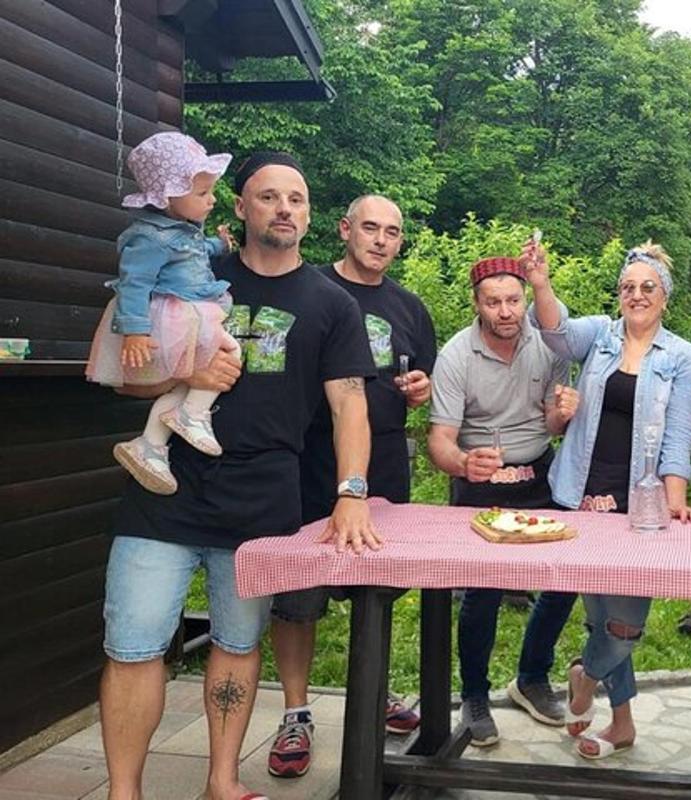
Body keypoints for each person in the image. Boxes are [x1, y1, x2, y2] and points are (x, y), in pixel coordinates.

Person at [98, 152, 379, 800]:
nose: (285, 208)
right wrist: (183, 377)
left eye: (297, 198)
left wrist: (352, 493)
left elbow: (350, 405)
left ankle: (221, 782)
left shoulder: (331, 303)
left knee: (237, 643)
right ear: (241, 208)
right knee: (134, 646)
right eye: (269, 196)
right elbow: (120, 378)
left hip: (260, 503)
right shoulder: (191, 273)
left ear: (309, 215)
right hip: (161, 492)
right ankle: (123, 793)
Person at [266, 195, 437, 778]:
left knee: (377, 595)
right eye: (370, 228)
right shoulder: (310, 290)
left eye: (393, 231)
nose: (381, 240)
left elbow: (421, 376)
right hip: (310, 463)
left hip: (386, 465)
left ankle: (376, 691)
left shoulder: (409, 306)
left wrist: (419, 389)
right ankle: (295, 712)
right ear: (344, 229)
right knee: (298, 599)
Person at [526, 239, 691, 760]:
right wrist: (540, 283)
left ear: (665, 296)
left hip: (638, 506)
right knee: (599, 617)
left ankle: (583, 678)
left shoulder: (681, 355)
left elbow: (678, 437)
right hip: (579, 496)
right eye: (628, 287)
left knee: (623, 627)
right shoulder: (600, 337)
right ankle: (622, 724)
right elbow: (555, 332)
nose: (637, 295)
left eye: (648, 287)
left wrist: (674, 501)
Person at [428, 255, 580, 747]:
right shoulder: (455, 355)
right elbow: (440, 441)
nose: (506, 311)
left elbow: (554, 422)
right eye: (493, 302)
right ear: (477, 305)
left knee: (565, 574)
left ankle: (532, 677)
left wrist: (562, 416)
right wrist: (462, 463)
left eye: (513, 299)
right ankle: (474, 694)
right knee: (482, 590)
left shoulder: (547, 342)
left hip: (538, 473)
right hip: (480, 480)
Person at [86, 131, 240, 495]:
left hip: (191, 314)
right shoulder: (148, 238)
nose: (211, 199)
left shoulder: (182, 229)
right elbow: (133, 284)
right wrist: (135, 330)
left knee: (194, 379)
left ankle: (151, 444)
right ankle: (192, 415)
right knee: (230, 352)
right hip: (172, 318)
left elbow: (197, 249)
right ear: (168, 196)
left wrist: (221, 244)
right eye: (202, 193)